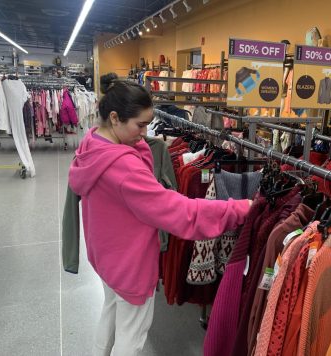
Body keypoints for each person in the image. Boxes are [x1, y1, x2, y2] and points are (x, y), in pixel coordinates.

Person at [68, 73, 252, 356]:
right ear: (115, 118)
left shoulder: (93, 144)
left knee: (111, 311)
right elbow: (180, 212)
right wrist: (240, 208)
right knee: (132, 335)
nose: (145, 133)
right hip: (130, 263)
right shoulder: (124, 168)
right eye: (140, 125)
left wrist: (138, 143)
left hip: (106, 256)